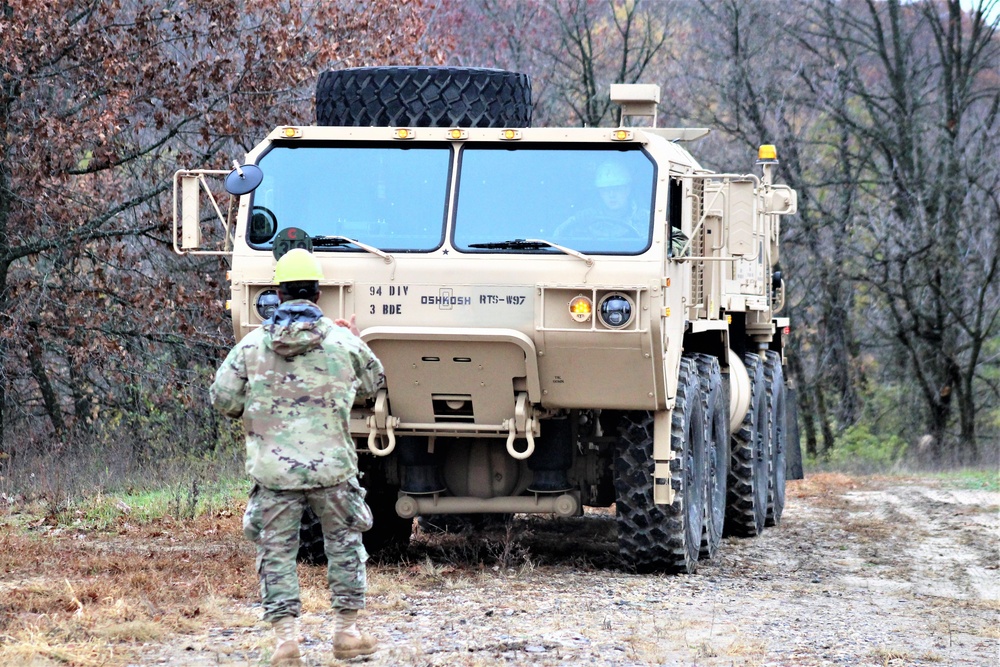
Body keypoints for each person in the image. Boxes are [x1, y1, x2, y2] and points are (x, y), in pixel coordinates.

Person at [209, 247, 385, 665]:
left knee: (276, 554)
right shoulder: (343, 342)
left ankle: (286, 642)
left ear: (280, 291)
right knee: (344, 547)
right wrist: (353, 343)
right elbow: (373, 385)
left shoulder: (252, 346)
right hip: (333, 470)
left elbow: (223, 399)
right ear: (318, 293)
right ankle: (347, 633)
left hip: (274, 474)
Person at [554, 161, 650, 239]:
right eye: (605, 190)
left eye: (617, 188)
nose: (612, 195)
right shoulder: (585, 217)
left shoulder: (646, 220)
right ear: (600, 193)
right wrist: (579, 225)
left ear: (627, 189)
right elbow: (558, 239)